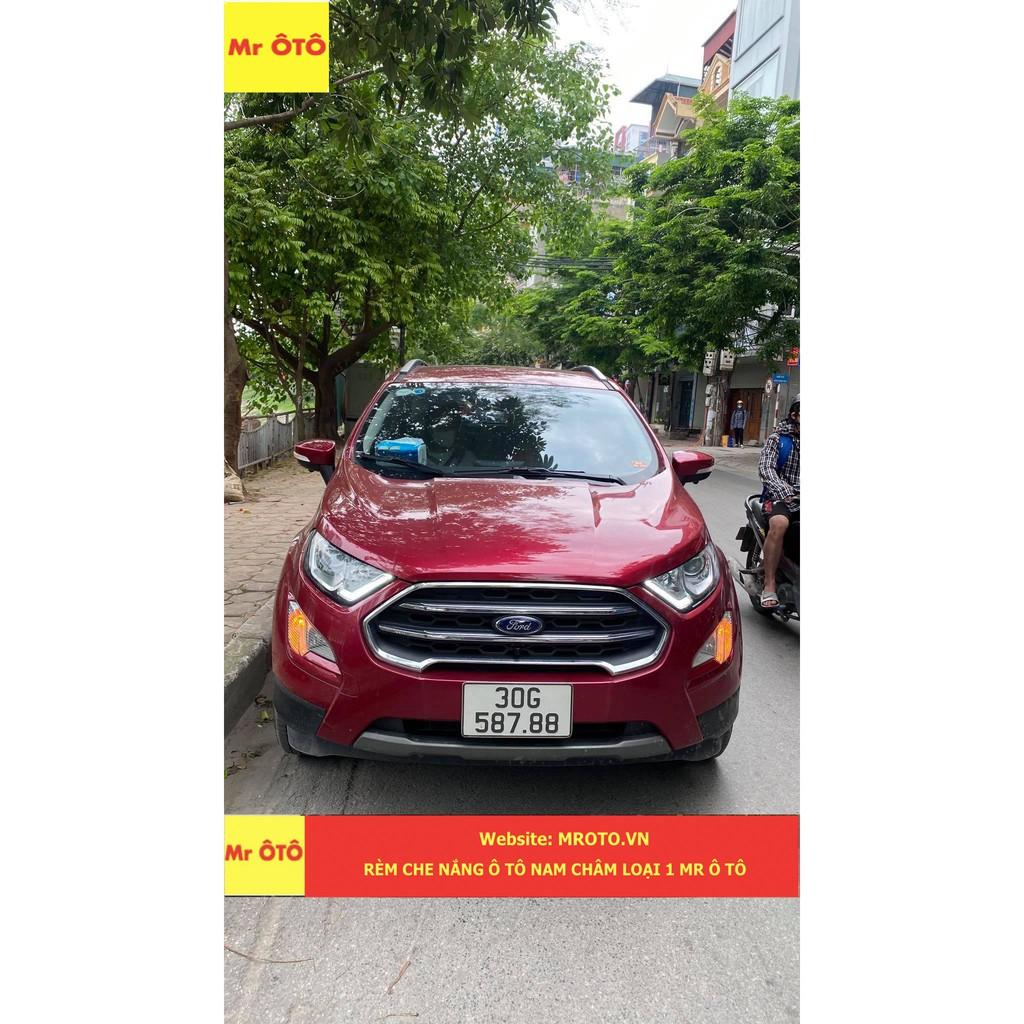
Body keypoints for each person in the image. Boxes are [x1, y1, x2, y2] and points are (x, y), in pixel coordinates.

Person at [757, 397, 800, 609]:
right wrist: (784, 490)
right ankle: (769, 584)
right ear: (795, 415)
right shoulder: (778, 439)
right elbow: (766, 468)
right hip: (780, 497)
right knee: (780, 523)